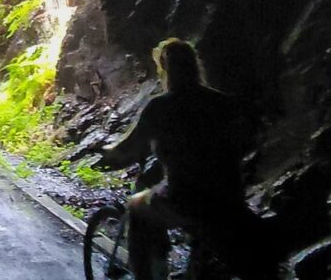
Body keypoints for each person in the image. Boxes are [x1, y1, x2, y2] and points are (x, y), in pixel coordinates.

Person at [98, 38, 278, 280]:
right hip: (229, 196)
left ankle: (150, 273)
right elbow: (248, 139)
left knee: (137, 206)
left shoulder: (160, 106)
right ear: (195, 65)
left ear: (165, 69)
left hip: (184, 197)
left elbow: (129, 146)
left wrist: (109, 152)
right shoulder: (223, 103)